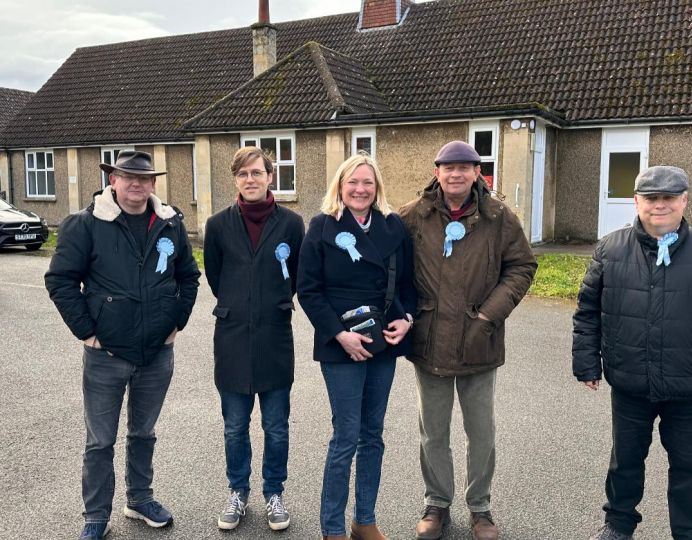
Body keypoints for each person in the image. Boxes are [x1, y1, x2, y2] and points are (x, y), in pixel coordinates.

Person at [572, 166, 692, 540]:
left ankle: (690, 534)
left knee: (689, 469)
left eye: (669, 198)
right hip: (630, 384)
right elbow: (588, 311)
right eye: (651, 198)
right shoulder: (610, 248)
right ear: (637, 202)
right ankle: (618, 524)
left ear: (684, 200)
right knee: (624, 462)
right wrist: (587, 362)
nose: (660, 205)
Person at [44, 150, 200, 540]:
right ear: (112, 180)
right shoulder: (85, 224)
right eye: (126, 177)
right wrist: (87, 333)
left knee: (144, 433)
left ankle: (139, 498)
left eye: (144, 178)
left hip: (156, 352)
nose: (136, 184)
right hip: (105, 355)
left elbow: (189, 276)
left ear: (153, 184)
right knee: (100, 441)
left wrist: (176, 322)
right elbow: (60, 280)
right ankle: (96, 516)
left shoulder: (170, 223)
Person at [399, 141, 537, 540]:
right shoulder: (413, 216)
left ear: (478, 173)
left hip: (480, 339)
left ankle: (481, 508)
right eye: (449, 167)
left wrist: (488, 315)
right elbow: (391, 267)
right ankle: (436, 504)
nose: (456, 174)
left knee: (482, 432)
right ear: (437, 171)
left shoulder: (499, 217)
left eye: (465, 167)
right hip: (429, 342)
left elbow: (522, 266)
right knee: (433, 431)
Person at [297, 153, 416, 540]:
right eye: (353, 182)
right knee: (345, 436)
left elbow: (407, 286)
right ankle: (332, 528)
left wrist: (407, 318)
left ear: (377, 186)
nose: (360, 189)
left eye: (367, 182)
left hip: (382, 342)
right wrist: (339, 334)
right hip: (340, 344)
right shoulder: (320, 226)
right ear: (340, 186)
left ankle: (364, 521)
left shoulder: (393, 226)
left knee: (373, 435)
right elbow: (308, 289)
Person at [203, 147, 305, 531]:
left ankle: (274, 494)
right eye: (243, 174)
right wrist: (240, 303)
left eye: (257, 173)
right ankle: (238, 492)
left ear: (270, 177)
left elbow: (296, 275)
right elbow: (216, 277)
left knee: (276, 426)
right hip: (231, 339)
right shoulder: (217, 225)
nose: (251, 179)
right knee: (234, 426)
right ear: (236, 179)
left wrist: (269, 304)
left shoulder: (292, 224)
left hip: (275, 338)